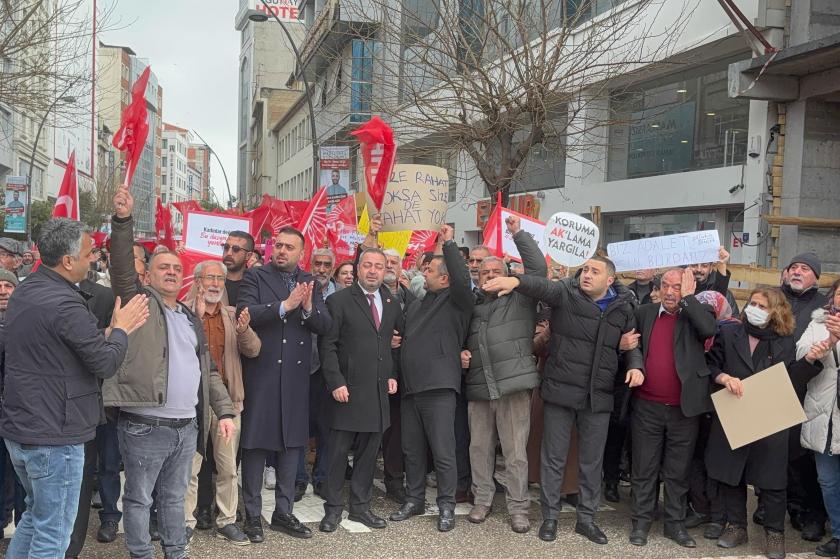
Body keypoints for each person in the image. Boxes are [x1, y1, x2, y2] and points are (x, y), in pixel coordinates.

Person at [0, 218, 147, 558]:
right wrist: (122, 330)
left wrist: (108, 334)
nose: (93, 258)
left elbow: (65, 348)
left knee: (36, 520)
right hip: (55, 435)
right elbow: (105, 364)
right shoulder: (65, 302)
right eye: (89, 252)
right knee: (53, 536)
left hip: (25, 428)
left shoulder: (28, 290)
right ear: (67, 261)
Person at [104, 185, 237, 559]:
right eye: (164, 267)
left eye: (177, 269)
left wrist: (224, 411)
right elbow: (121, 266)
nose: (172, 273)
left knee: (176, 498)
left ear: (185, 278)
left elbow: (207, 370)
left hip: (186, 427)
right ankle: (142, 553)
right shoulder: (139, 304)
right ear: (148, 275)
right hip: (145, 424)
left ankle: (176, 552)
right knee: (140, 497)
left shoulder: (189, 318)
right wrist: (123, 221)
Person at [483, 255, 644, 545]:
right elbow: (541, 286)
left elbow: (631, 343)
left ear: (609, 280)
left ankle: (587, 519)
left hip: (598, 396)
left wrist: (635, 365)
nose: (586, 275)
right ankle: (550, 518)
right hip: (561, 391)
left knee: (591, 462)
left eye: (594, 271)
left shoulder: (623, 306)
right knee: (553, 458)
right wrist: (515, 280)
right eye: (585, 269)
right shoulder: (565, 294)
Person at [705, 287, 825, 559]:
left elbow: (792, 378)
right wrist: (722, 378)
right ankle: (736, 526)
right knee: (731, 474)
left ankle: (774, 533)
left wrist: (809, 360)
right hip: (734, 411)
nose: (754, 308)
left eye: (762, 305)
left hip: (769, 417)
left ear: (775, 312)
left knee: (772, 479)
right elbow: (711, 365)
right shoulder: (728, 332)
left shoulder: (785, 339)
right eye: (752, 303)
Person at [237, 226, 331, 543]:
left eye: (289, 247)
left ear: (300, 253)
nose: (282, 251)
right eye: (278, 245)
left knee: (293, 445)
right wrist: (284, 306)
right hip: (262, 374)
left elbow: (325, 323)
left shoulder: (310, 283)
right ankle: (251, 515)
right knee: (255, 445)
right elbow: (245, 312)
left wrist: (307, 309)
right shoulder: (256, 277)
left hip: (295, 377)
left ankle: (283, 513)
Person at [461, 215, 545, 533]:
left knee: (514, 452)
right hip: (480, 386)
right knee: (479, 448)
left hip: (513, 387)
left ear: (507, 275)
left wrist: (519, 235)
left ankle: (518, 507)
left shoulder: (522, 299)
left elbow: (539, 272)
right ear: (478, 277)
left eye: (496, 272)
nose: (491, 276)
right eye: (485, 273)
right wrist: (462, 352)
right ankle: (483, 499)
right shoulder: (471, 304)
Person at [389, 225, 474, 532]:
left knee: (443, 450)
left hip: (439, 387)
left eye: (430, 271)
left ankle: (447, 506)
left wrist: (448, 243)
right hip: (412, 389)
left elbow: (463, 279)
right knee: (412, 449)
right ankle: (414, 500)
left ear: (445, 277)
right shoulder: (419, 303)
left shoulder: (457, 299)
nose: (423, 274)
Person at [628, 268, 716, 548]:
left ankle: (675, 525)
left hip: (683, 409)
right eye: (665, 285)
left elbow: (709, 330)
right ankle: (641, 522)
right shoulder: (644, 313)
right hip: (647, 406)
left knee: (678, 471)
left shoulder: (694, 313)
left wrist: (689, 299)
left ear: (687, 289)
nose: (669, 292)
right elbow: (633, 347)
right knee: (644, 468)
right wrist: (633, 361)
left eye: (676, 287)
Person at [318, 248, 402, 532]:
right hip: (348, 390)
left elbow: (391, 344)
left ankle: (360, 508)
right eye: (367, 265)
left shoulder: (391, 301)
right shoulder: (338, 301)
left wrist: (392, 373)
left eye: (379, 266)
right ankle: (332, 509)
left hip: (377, 392)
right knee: (339, 454)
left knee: (368, 454)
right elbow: (327, 345)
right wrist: (336, 381)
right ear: (357, 268)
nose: (373, 271)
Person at [182, 260, 261, 545]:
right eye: (209, 277)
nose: (215, 283)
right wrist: (195, 317)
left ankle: (226, 520)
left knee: (228, 468)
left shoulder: (231, 315)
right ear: (197, 280)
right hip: (192, 404)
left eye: (219, 278)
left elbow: (253, 351)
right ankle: (186, 522)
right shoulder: (183, 312)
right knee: (190, 468)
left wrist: (243, 331)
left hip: (228, 405)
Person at [780, 253, 829, 541]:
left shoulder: (824, 307)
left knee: (804, 456)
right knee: (776, 451)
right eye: (794, 267)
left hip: (808, 387)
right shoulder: (773, 297)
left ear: (816, 278)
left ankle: (808, 511)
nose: (798, 272)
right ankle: (773, 504)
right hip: (773, 383)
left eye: (805, 269)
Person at [798, 279, 840, 558]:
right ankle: (837, 533)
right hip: (823, 412)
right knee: (827, 479)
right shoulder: (817, 324)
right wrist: (827, 343)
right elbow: (801, 353)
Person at [295, 248, 337, 501]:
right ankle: (299, 479)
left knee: (327, 429)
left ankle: (322, 477)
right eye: (317, 263)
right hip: (301, 368)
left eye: (326, 264)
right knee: (299, 427)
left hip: (328, 371)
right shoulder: (301, 290)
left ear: (333, 267)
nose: (321, 269)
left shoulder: (341, 295)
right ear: (310, 264)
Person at [687, 247, 739, 314]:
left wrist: (722, 264)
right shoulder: (680, 289)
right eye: (694, 265)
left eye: (704, 265)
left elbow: (734, 320)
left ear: (711, 267)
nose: (699, 269)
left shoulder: (725, 294)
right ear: (688, 266)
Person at [222, 231, 254, 307]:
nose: (229, 253)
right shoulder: (208, 278)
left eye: (236, 249)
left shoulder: (254, 284)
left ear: (248, 256)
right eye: (226, 247)